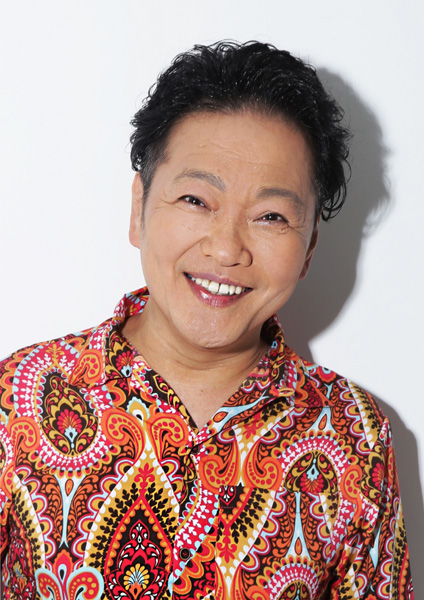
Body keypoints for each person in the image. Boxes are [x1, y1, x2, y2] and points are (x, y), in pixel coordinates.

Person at [0, 41, 413, 600]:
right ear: (139, 208)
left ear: (309, 248)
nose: (226, 249)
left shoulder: (356, 436)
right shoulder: (18, 398)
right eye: (196, 200)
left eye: (271, 216)